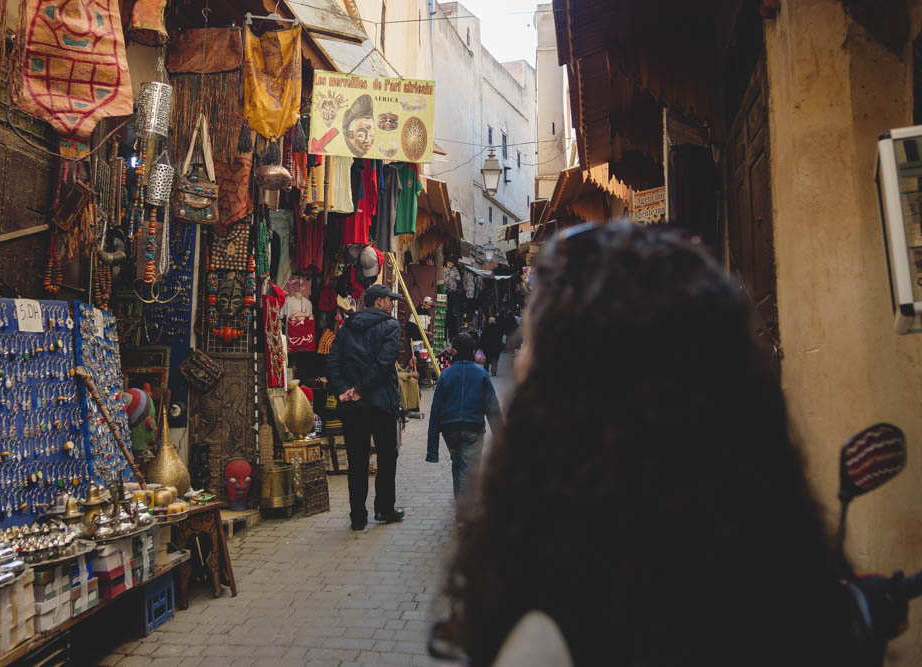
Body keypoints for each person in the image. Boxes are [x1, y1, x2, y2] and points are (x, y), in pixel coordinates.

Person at [435, 222, 859, 666]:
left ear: (562, 408)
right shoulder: (797, 587)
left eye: (529, 349)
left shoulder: (552, 627)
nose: (518, 360)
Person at [326, 283, 405, 530]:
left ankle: (358, 517)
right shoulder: (391, 326)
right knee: (386, 458)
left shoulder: (347, 328)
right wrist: (358, 390)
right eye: (389, 299)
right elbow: (384, 364)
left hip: (353, 407)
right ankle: (384, 509)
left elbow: (332, 361)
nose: (392, 304)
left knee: (357, 461)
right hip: (380, 404)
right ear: (379, 302)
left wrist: (343, 391)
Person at [426, 332, 502, 505]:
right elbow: (493, 408)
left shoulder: (445, 375)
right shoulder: (481, 374)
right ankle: (465, 510)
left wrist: (432, 449)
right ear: (473, 351)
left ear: (454, 351)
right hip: (473, 428)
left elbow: (435, 411)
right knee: (469, 469)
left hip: (450, 430)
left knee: (458, 464)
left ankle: (461, 503)